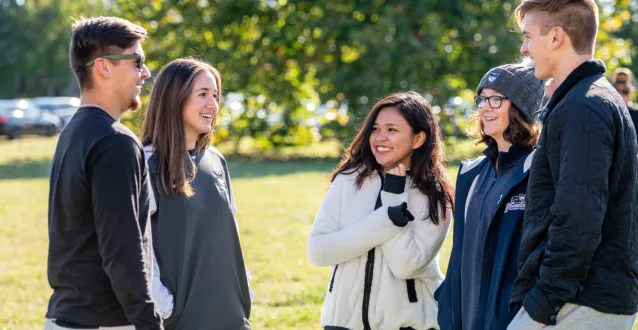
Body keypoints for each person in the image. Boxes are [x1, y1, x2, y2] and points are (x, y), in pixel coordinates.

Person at [509, 0, 638, 329]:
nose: (524, 49)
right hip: (580, 300)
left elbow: (578, 220)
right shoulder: (587, 99)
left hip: (578, 304)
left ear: (555, 37)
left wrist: (542, 305)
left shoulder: (584, 107)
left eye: (527, 37)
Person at [45, 17, 161, 329]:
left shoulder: (73, 132)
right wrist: (150, 323)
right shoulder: (115, 142)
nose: (145, 73)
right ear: (104, 67)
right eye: (137, 61)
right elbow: (122, 252)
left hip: (68, 317)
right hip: (105, 322)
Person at [307, 91, 454, 330]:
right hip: (343, 323)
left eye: (392, 130)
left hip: (411, 325)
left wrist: (394, 197)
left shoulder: (435, 196)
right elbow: (318, 251)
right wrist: (387, 219)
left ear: (418, 139)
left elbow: (405, 266)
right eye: (375, 129)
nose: (379, 138)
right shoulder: (349, 181)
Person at [141, 58, 252, 330]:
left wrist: (244, 290)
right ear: (173, 98)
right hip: (182, 320)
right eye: (202, 94)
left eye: (215, 95)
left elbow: (229, 231)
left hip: (231, 315)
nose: (213, 105)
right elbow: (134, 248)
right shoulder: (146, 164)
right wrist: (165, 307)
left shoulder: (215, 160)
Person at [435, 63, 544, 330]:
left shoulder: (541, 172)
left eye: (496, 99)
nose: (485, 107)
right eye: (482, 98)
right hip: (463, 318)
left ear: (521, 108)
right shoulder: (470, 174)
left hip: (513, 320)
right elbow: (458, 252)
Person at [610, 67, 638, 132]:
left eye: (625, 91)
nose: (620, 95)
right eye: (616, 90)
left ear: (631, 92)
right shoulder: (605, 112)